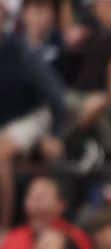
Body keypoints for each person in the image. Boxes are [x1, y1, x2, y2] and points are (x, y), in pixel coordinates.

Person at [0, 0, 68, 232]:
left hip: (33, 114)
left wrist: (56, 134)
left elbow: (56, 96)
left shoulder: (19, 50)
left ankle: (3, 229)